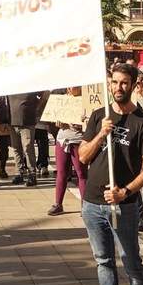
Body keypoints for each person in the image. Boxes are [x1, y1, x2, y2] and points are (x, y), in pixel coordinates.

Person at [80, 63, 143, 285]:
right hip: (91, 203)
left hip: (123, 206)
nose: (118, 87)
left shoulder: (141, 123)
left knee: (131, 263)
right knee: (103, 261)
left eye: (124, 83)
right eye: (114, 82)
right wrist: (101, 134)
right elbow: (83, 156)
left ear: (134, 85)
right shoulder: (98, 116)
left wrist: (126, 191)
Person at [48, 86, 89, 217]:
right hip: (62, 139)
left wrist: (81, 124)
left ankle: (85, 206)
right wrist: (58, 121)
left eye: (73, 87)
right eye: (68, 87)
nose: (69, 90)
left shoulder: (86, 102)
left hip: (78, 141)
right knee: (61, 172)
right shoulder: (63, 100)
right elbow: (54, 117)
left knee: (81, 173)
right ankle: (58, 203)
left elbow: (91, 122)